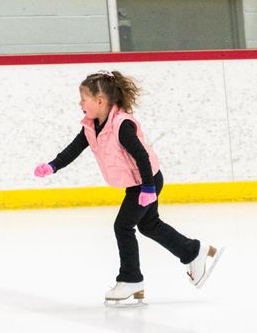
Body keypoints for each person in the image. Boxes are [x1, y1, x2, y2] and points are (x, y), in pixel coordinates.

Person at [34, 70, 223, 305]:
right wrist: (52, 166)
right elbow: (73, 149)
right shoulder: (92, 126)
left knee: (123, 226)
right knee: (149, 225)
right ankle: (193, 251)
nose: (80, 103)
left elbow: (141, 156)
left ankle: (131, 278)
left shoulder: (121, 125)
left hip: (146, 182)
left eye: (84, 98)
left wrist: (147, 188)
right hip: (139, 184)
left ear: (100, 101)